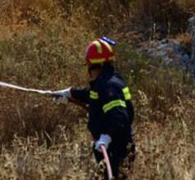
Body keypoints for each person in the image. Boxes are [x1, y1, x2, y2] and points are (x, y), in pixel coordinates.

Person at [45, 37, 135, 179]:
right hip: (108, 146)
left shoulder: (108, 85)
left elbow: (119, 116)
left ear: (95, 66)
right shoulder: (105, 82)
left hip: (116, 147)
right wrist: (68, 93)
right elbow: (92, 96)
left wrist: (107, 137)